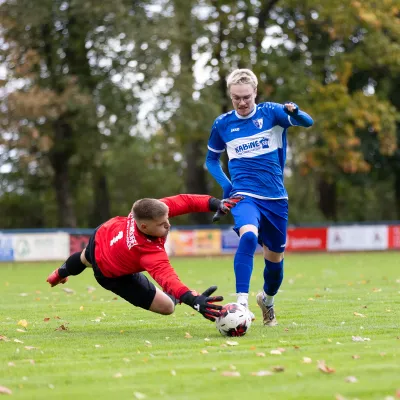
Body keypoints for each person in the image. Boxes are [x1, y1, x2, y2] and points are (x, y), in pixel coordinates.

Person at [206, 68, 314, 326]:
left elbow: (307, 122)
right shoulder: (222, 124)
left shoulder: (272, 113)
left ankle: (266, 300)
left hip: (275, 198)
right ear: (230, 96)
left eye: (246, 97)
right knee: (249, 236)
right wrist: (228, 186)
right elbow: (211, 161)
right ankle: (241, 304)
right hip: (244, 195)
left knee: (275, 264)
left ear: (255, 93)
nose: (242, 103)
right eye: (236, 98)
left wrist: (295, 112)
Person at [46, 194, 242, 322]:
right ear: (144, 227)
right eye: (162, 225)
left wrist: (217, 203)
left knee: (83, 258)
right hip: (110, 274)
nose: (167, 226)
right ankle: (61, 272)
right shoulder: (147, 251)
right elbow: (168, 278)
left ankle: (58, 273)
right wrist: (192, 299)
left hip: (104, 232)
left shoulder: (147, 212)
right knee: (167, 307)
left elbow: (186, 201)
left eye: (167, 220)